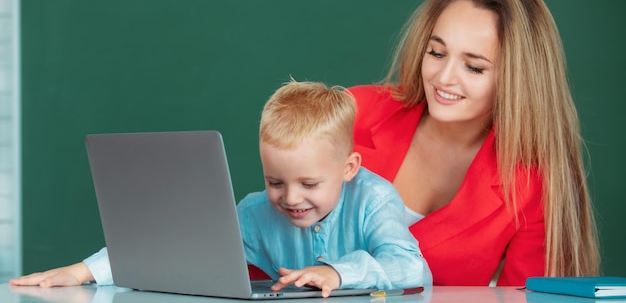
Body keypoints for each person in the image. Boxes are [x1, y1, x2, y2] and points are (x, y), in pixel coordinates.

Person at [11, 80, 432, 297]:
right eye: (274, 182)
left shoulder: (374, 199)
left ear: (349, 168)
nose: (290, 198)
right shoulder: (255, 213)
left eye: (309, 183)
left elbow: (413, 269)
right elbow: (177, 245)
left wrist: (337, 273)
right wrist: (84, 272)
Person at [349, 0, 600, 286]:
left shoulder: (531, 185)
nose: (444, 77)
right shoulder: (354, 113)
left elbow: (526, 296)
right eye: (437, 53)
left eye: (474, 66)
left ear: (516, 79)